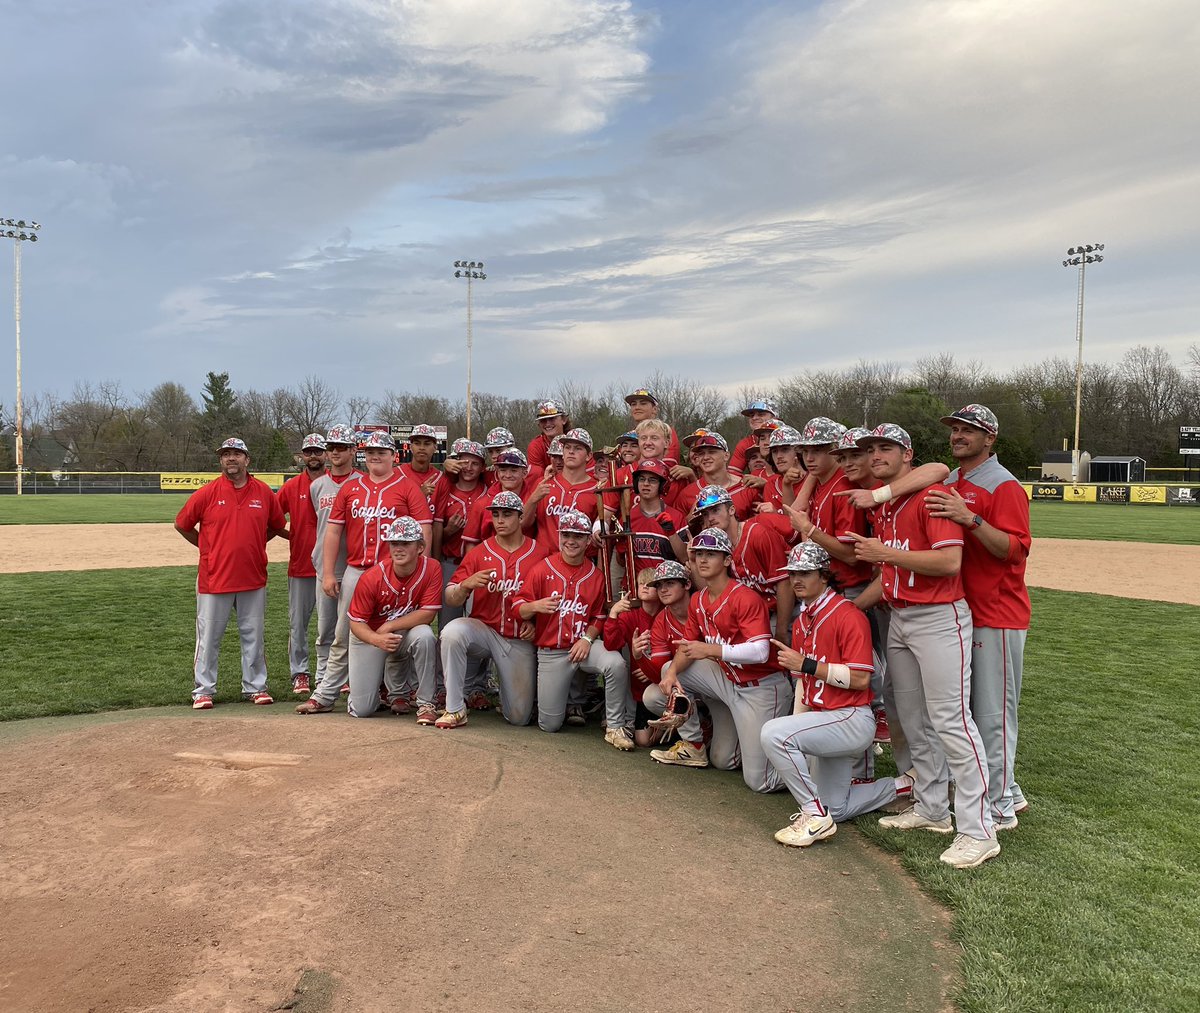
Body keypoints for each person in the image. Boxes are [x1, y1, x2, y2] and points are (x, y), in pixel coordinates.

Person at [848, 423, 999, 869]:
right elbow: (887, 572)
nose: (875, 455)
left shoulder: (929, 494)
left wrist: (886, 555)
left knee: (951, 720)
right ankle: (933, 808)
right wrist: (849, 609)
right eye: (870, 449)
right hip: (900, 618)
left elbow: (949, 562)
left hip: (939, 616)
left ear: (906, 454)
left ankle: (979, 828)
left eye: (886, 448)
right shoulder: (887, 505)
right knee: (912, 719)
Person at [760, 543, 914, 848]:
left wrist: (806, 665)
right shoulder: (803, 621)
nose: (796, 580)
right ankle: (905, 785)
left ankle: (813, 815)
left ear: (824, 576)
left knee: (772, 734)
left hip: (852, 719)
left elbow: (860, 680)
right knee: (838, 808)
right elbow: (804, 686)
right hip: (827, 719)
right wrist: (797, 729)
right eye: (792, 574)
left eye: (805, 573)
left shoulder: (847, 615)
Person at [926, 404, 1031, 829]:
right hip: (963, 609)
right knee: (968, 711)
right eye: (954, 429)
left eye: (969, 430)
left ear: (990, 438)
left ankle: (1001, 806)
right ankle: (1009, 789)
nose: (958, 435)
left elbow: (1014, 549)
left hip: (998, 612)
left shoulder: (1003, 485)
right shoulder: (952, 480)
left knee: (993, 714)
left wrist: (969, 519)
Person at [296, 430, 433, 714]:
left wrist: (420, 568)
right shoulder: (352, 487)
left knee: (400, 631)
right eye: (370, 452)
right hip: (357, 571)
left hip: (396, 573)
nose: (375, 456)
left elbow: (424, 530)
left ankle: (398, 693)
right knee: (343, 634)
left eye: (381, 452)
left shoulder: (407, 487)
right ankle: (325, 693)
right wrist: (331, 573)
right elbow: (333, 531)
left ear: (393, 455)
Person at [644, 527, 791, 791]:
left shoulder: (745, 597)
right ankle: (694, 745)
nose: (702, 559)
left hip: (762, 688)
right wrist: (671, 674)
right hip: (729, 683)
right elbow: (687, 648)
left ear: (726, 560)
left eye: (711, 553)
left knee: (759, 781)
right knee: (671, 667)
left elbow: (760, 652)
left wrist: (712, 651)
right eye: (698, 553)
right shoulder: (699, 599)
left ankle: (812, 768)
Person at [174, 437, 286, 709]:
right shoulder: (208, 492)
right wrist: (207, 547)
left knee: (253, 635)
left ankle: (256, 687)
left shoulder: (262, 492)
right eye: (226, 455)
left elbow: (277, 525)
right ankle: (203, 690)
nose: (231, 459)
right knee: (209, 638)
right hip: (214, 578)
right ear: (221, 461)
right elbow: (182, 524)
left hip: (252, 576)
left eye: (236, 454)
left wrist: (256, 543)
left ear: (247, 460)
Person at [513, 509, 631, 747]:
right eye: (566, 534)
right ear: (559, 537)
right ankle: (561, 704)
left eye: (578, 536)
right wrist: (535, 606)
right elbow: (518, 608)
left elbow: (599, 616)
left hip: (583, 647)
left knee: (616, 663)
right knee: (549, 725)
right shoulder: (542, 569)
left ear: (588, 540)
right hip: (552, 652)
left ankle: (616, 726)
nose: (571, 541)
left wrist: (587, 639)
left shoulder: (596, 575)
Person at [436, 491, 547, 728]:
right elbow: (450, 596)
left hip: (518, 638)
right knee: (452, 632)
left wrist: (536, 623)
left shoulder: (539, 554)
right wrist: (465, 585)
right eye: (495, 514)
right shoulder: (479, 553)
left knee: (519, 717)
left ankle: (508, 697)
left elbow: (550, 598)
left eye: (507, 514)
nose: (500, 520)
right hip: (483, 631)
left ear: (520, 517)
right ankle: (455, 708)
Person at [340, 517, 442, 720]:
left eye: (405, 543)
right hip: (370, 635)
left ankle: (426, 703)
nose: (398, 548)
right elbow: (356, 622)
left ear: (420, 547)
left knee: (425, 636)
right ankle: (386, 691)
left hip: (400, 631)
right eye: (394, 543)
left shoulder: (432, 568)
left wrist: (391, 625)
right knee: (363, 709)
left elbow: (428, 614)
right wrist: (376, 638)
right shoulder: (371, 577)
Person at [692, 485, 794, 643]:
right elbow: (709, 591)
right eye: (705, 514)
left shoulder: (758, 534)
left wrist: (781, 630)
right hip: (750, 617)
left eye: (715, 510)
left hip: (779, 612)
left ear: (731, 510)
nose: (710, 518)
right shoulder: (717, 547)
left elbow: (785, 583)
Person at [307, 424, 358, 695]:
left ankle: (347, 676)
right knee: (325, 628)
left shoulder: (361, 482)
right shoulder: (317, 486)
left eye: (341, 447)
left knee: (351, 626)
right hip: (325, 567)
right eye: (331, 447)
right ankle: (322, 677)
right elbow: (319, 525)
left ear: (353, 450)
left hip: (355, 565)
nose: (335, 452)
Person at [275, 433, 327, 695]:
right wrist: (291, 534)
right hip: (301, 566)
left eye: (318, 451)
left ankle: (330, 673)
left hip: (333, 567)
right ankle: (300, 673)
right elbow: (272, 517)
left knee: (332, 624)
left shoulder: (336, 483)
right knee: (299, 624)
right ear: (302, 456)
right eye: (309, 452)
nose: (314, 456)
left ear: (326, 454)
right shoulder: (293, 486)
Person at [602, 567, 661, 747]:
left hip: (661, 685)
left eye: (650, 584)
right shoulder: (631, 616)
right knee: (643, 740)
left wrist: (654, 672)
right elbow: (611, 644)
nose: (644, 587)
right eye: (641, 583)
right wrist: (613, 614)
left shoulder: (666, 615)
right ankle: (630, 721)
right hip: (638, 688)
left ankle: (687, 729)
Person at [524, 427, 601, 554]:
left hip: (581, 562)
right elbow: (522, 525)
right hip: (545, 561)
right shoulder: (544, 484)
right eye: (567, 447)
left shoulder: (597, 489)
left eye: (578, 448)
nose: (571, 451)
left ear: (589, 456)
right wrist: (533, 500)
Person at [674, 430, 760, 519]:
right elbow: (676, 529)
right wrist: (690, 519)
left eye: (712, 452)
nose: (706, 457)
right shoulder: (687, 493)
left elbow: (758, 526)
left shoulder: (747, 486)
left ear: (726, 456)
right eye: (701, 454)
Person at [623, 386, 681, 467]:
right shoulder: (628, 435)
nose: (637, 407)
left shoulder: (666, 431)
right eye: (633, 404)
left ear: (655, 409)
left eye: (643, 403)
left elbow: (669, 465)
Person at [729, 397, 780, 476]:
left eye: (761, 414)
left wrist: (766, 482)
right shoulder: (744, 444)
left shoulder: (788, 437)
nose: (755, 418)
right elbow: (732, 475)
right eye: (751, 415)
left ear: (775, 418)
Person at [527, 399, 572, 476]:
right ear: (539, 425)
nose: (547, 423)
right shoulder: (536, 446)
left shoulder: (576, 439)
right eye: (543, 420)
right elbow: (535, 478)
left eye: (552, 418)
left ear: (564, 420)